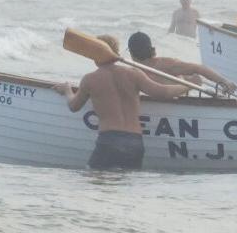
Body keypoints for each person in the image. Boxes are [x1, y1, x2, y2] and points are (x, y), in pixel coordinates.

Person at [57, 50, 189, 169]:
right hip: (135, 143)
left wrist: (67, 90)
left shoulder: (90, 79)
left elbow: (74, 106)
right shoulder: (134, 74)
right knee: (126, 193)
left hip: (109, 140)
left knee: (95, 186)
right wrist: (186, 86)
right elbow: (163, 92)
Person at [126, 32, 237, 95]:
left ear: (131, 52)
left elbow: (198, 68)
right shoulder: (133, 71)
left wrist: (224, 82)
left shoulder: (165, 64)